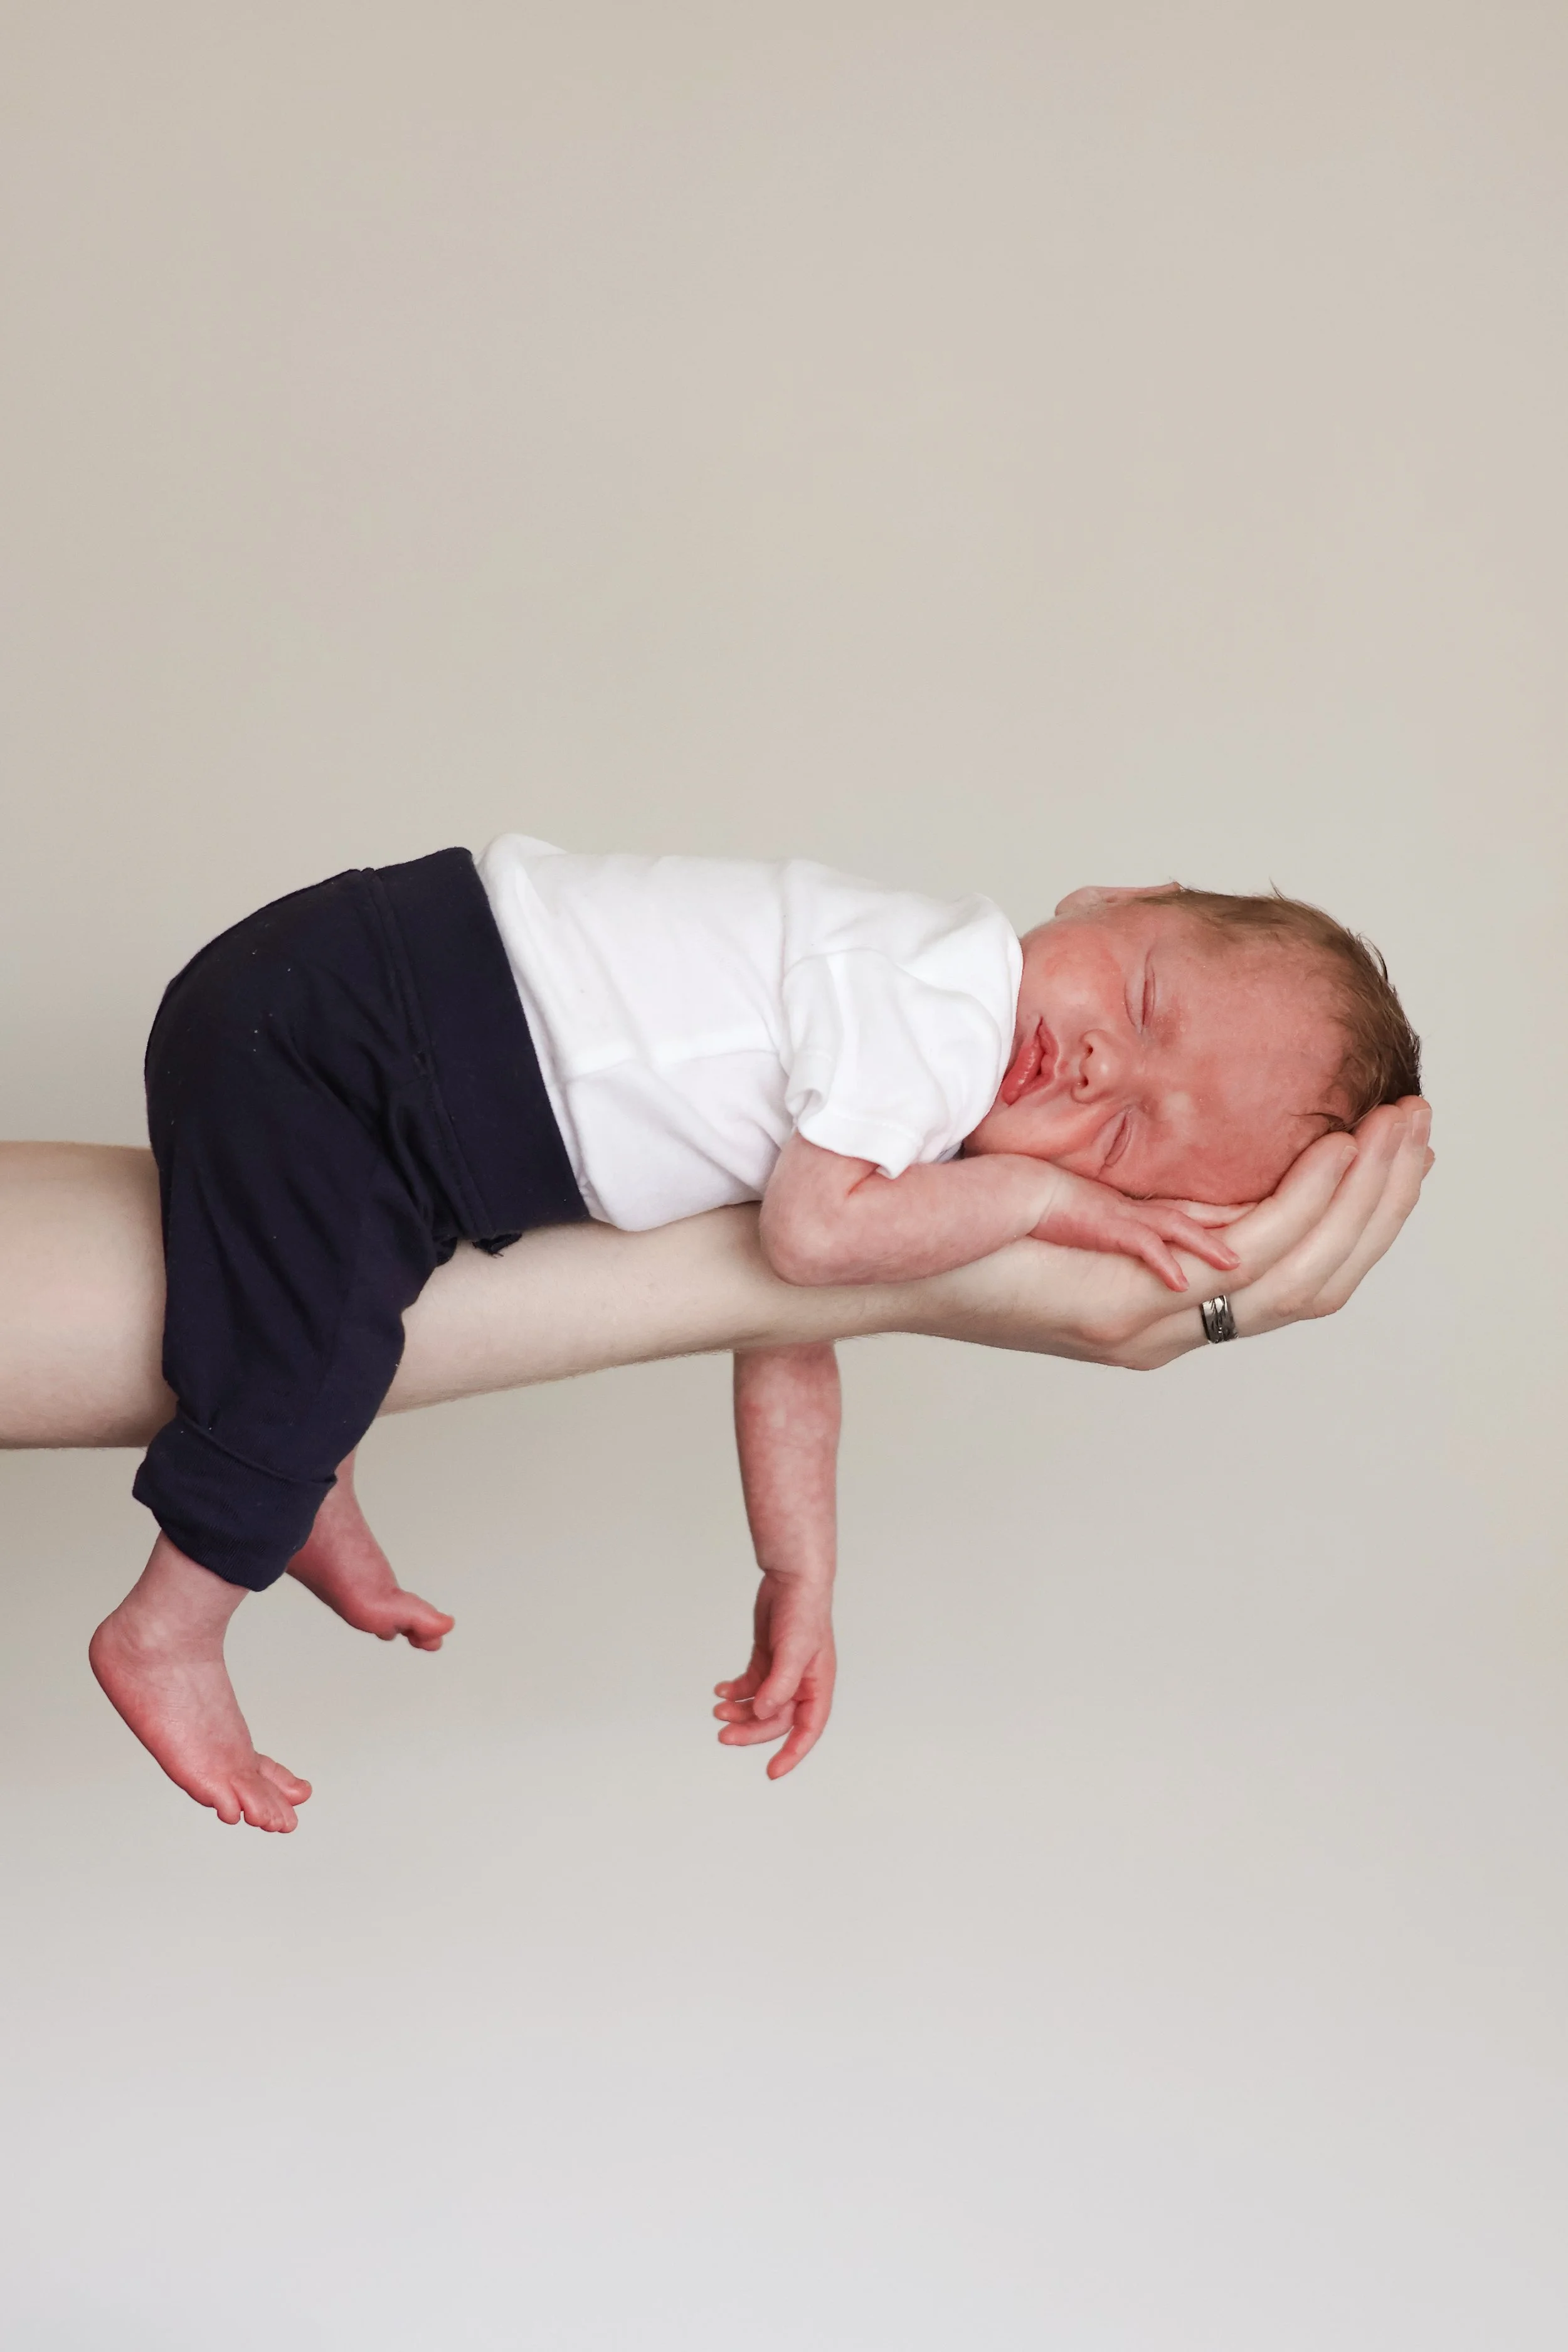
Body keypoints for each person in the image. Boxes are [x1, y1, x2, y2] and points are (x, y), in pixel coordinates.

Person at [77, 839, 1425, 1832]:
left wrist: (798, 1566)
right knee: (306, 1338)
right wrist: (1038, 1199)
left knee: (335, 1310)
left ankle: (304, 1483)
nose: (1094, 1068)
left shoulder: (902, 1073)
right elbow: (812, 1244)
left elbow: (790, 1323)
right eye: (1141, 1003)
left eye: (1123, 1134)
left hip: (386, 1049)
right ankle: (167, 1630)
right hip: (357, 1025)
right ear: (1109, 898)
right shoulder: (942, 1005)